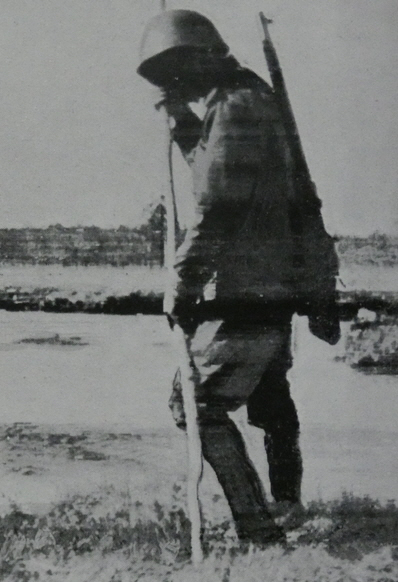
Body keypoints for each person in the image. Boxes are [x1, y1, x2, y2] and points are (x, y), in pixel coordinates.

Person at [137, 11, 340, 543]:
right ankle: (286, 506)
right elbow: (212, 170)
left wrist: (182, 282)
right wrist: (181, 120)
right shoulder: (243, 103)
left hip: (246, 287)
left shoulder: (238, 108)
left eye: (175, 72)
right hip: (269, 283)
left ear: (200, 58)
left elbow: (218, 206)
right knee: (271, 397)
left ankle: (258, 529)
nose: (173, 83)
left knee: (195, 405)